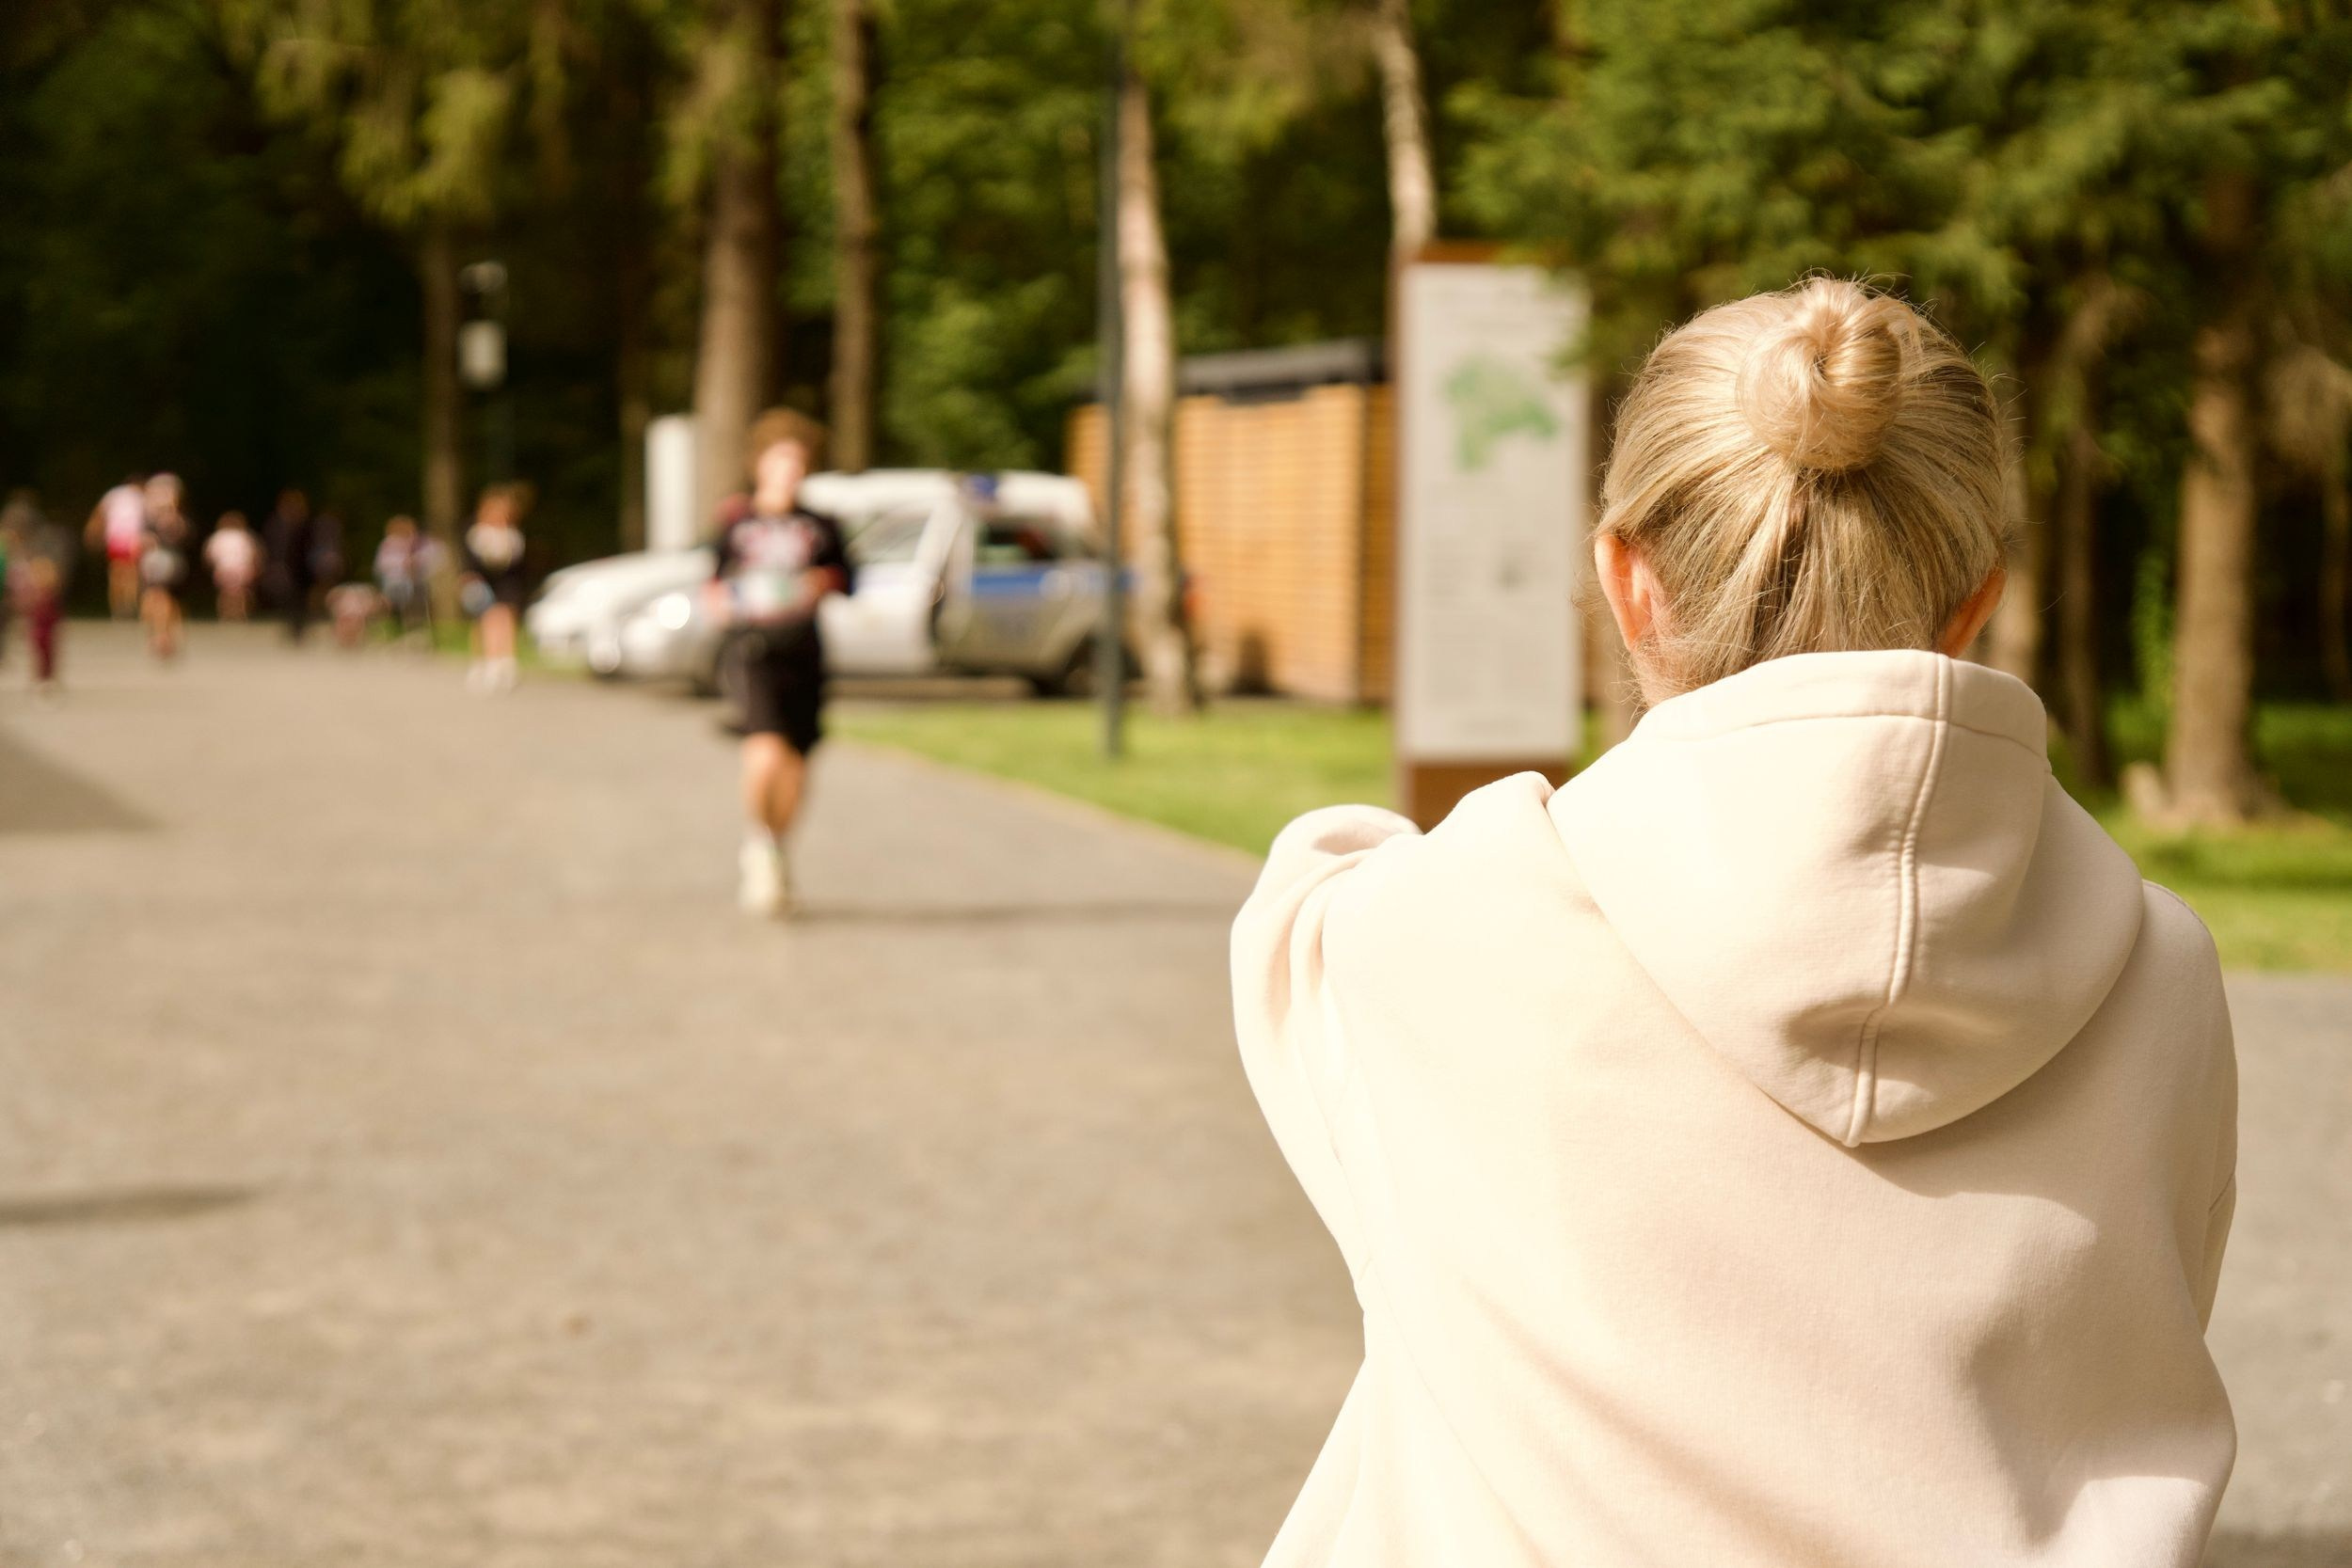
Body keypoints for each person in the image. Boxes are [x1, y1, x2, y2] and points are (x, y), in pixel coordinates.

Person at [1232, 279, 2237, 1568]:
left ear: (1625, 576)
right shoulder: (2163, 971)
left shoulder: (1430, 935)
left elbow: (1310, 887)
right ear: (1977, 601)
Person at [707, 407, 850, 917]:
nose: (789, 471)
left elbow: (846, 579)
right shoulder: (738, 523)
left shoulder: (821, 525)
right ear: (761, 464)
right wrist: (726, 603)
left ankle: (775, 847)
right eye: (780, 460)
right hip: (753, 649)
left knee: (795, 764)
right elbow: (714, 583)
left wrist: (818, 583)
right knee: (764, 752)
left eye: (797, 462)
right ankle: (758, 842)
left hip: (804, 651)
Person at [460, 484, 532, 693]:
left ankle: (506, 662)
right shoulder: (475, 531)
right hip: (481, 582)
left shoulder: (514, 534)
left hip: (507, 583)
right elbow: (470, 561)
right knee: (485, 620)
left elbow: (517, 564)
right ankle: (485, 662)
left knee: (505, 617)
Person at [136, 472, 192, 661]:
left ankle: (163, 636)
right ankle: (160, 634)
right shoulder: (147, 513)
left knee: (162, 596)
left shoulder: (174, 515)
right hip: (152, 560)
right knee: (152, 598)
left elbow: (182, 534)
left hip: (167, 561)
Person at [86, 475, 148, 620]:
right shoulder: (139, 496)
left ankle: (122, 607)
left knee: (119, 573)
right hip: (129, 539)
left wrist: (93, 531)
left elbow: (99, 513)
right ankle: (126, 606)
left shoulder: (115, 494)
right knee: (128, 574)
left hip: (119, 539)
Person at [262, 488, 316, 641]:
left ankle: (300, 627)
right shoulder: (276, 523)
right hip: (282, 566)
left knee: (302, 598)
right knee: (286, 597)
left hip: (302, 568)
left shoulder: (305, 523)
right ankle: (291, 626)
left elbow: (310, 546)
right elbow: (271, 545)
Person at [373, 515, 427, 640]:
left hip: (411, 584)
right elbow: (382, 566)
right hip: (394, 583)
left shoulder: (415, 546)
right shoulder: (388, 545)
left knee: (415, 593)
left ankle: (412, 629)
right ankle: (398, 627)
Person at [205, 512, 260, 622]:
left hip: (225, 567)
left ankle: (227, 613)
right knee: (240, 592)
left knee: (227, 592)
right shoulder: (244, 536)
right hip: (239, 567)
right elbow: (253, 553)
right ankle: (239, 613)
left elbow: (209, 554)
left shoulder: (218, 537)